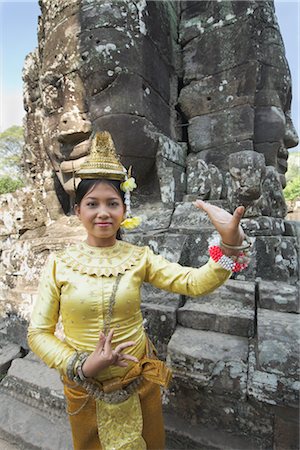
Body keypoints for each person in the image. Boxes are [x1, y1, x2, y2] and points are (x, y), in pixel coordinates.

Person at [27, 131, 251, 450]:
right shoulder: (58, 264)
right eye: (92, 204)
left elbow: (194, 282)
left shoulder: (139, 258)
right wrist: (80, 365)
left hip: (138, 378)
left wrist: (228, 245)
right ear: (78, 210)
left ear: (124, 209)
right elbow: (38, 333)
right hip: (84, 386)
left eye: (112, 203)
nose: (103, 212)